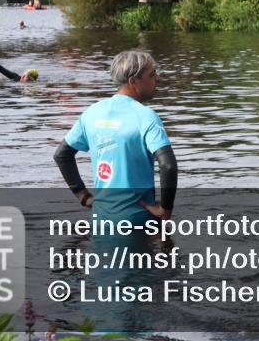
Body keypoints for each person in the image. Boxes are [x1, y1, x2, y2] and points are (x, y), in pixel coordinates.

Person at [53, 50, 177, 224]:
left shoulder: (92, 113)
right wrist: (165, 208)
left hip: (101, 220)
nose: (158, 78)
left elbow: (61, 155)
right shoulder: (146, 116)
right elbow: (168, 166)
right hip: (138, 221)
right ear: (133, 81)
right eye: (152, 74)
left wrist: (84, 197)